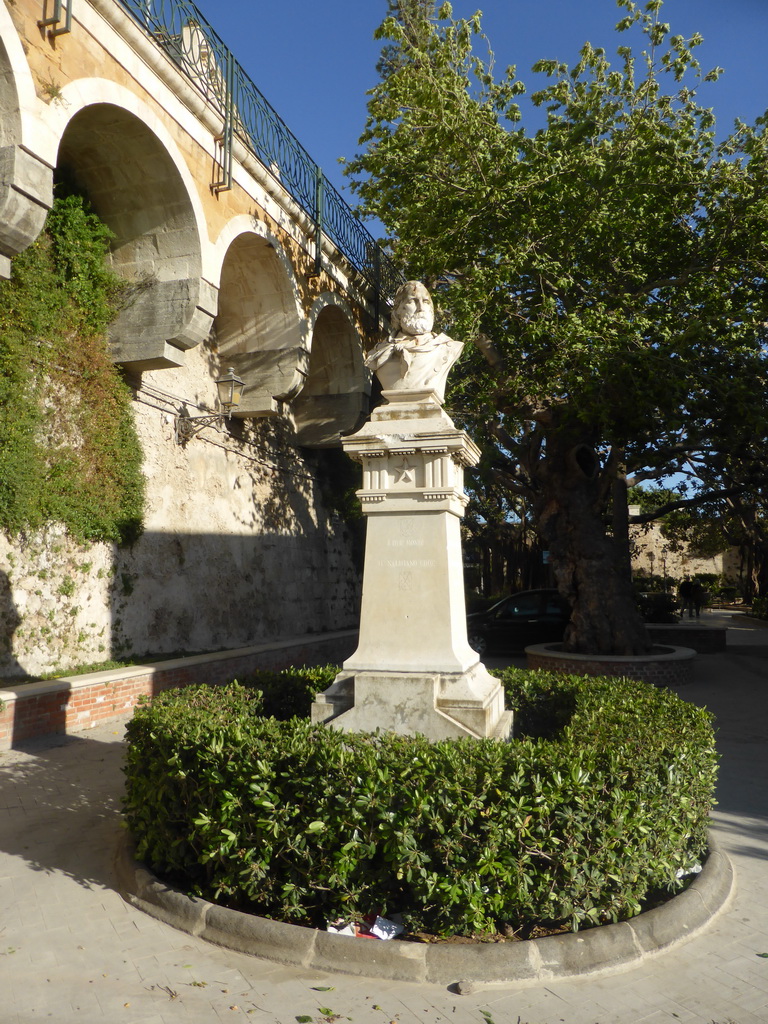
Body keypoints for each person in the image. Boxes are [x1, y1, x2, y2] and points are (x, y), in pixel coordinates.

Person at [365, 281, 463, 403]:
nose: (421, 308)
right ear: (398, 310)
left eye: (426, 302)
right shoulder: (380, 352)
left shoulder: (448, 347)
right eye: (412, 301)